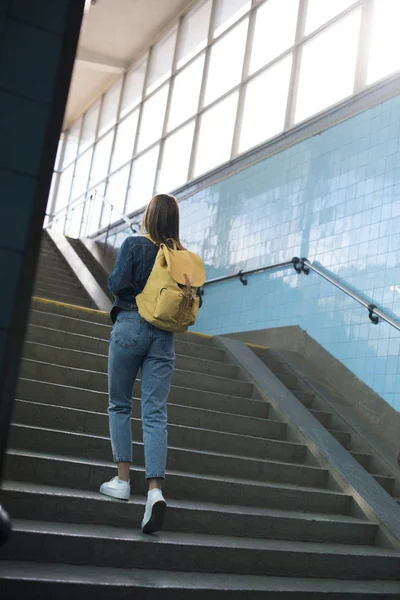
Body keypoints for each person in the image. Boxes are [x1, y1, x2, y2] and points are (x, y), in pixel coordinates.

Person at [99, 194, 184, 534]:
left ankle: (122, 481)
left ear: (149, 216)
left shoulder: (134, 244)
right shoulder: (180, 257)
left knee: (120, 404)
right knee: (155, 412)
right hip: (164, 336)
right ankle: (155, 491)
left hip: (131, 326)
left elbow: (117, 284)